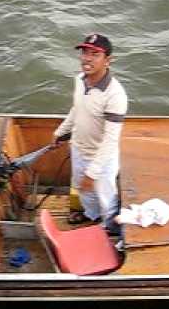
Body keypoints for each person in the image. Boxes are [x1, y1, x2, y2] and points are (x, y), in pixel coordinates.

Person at [52, 34, 128, 235]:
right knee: (83, 190)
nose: (87, 58)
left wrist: (93, 172)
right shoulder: (79, 80)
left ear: (108, 60)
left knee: (106, 197)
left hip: (101, 158)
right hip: (78, 149)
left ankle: (110, 229)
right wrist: (61, 132)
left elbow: (111, 140)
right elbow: (76, 109)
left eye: (95, 54)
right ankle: (91, 215)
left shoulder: (115, 95)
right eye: (85, 52)